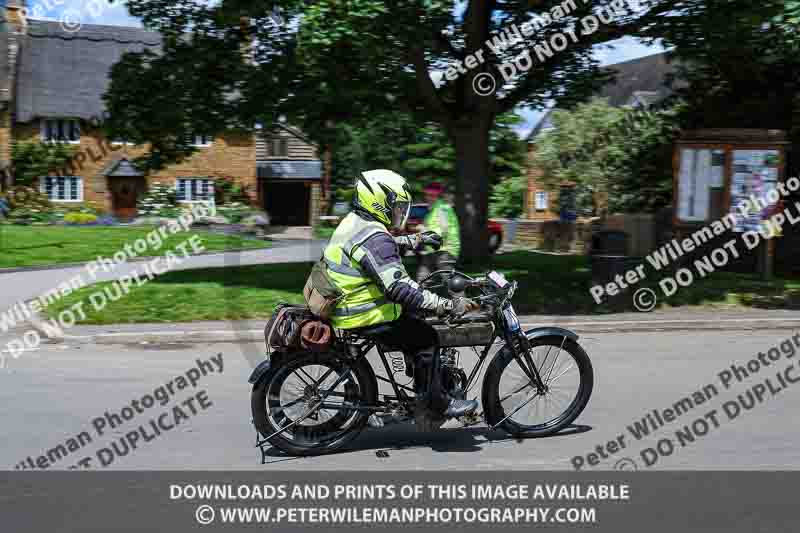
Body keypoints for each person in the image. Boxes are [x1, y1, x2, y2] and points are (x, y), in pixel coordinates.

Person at [322, 169, 479, 425]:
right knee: (427, 338)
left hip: (348, 301)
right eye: (395, 205)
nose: (399, 212)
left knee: (415, 318)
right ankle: (436, 404)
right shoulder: (373, 235)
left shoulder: (355, 221)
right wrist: (446, 304)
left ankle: (419, 378)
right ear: (378, 201)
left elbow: (376, 249)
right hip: (364, 311)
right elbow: (399, 288)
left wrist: (415, 239)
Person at [417, 182, 460, 282]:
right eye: (427, 195)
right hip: (432, 250)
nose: (429, 198)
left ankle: (462, 298)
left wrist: (424, 230)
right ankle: (422, 297)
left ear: (438, 196)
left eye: (432, 195)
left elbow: (443, 229)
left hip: (445, 250)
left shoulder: (442, 208)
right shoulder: (432, 211)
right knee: (422, 281)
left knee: (451, 283)